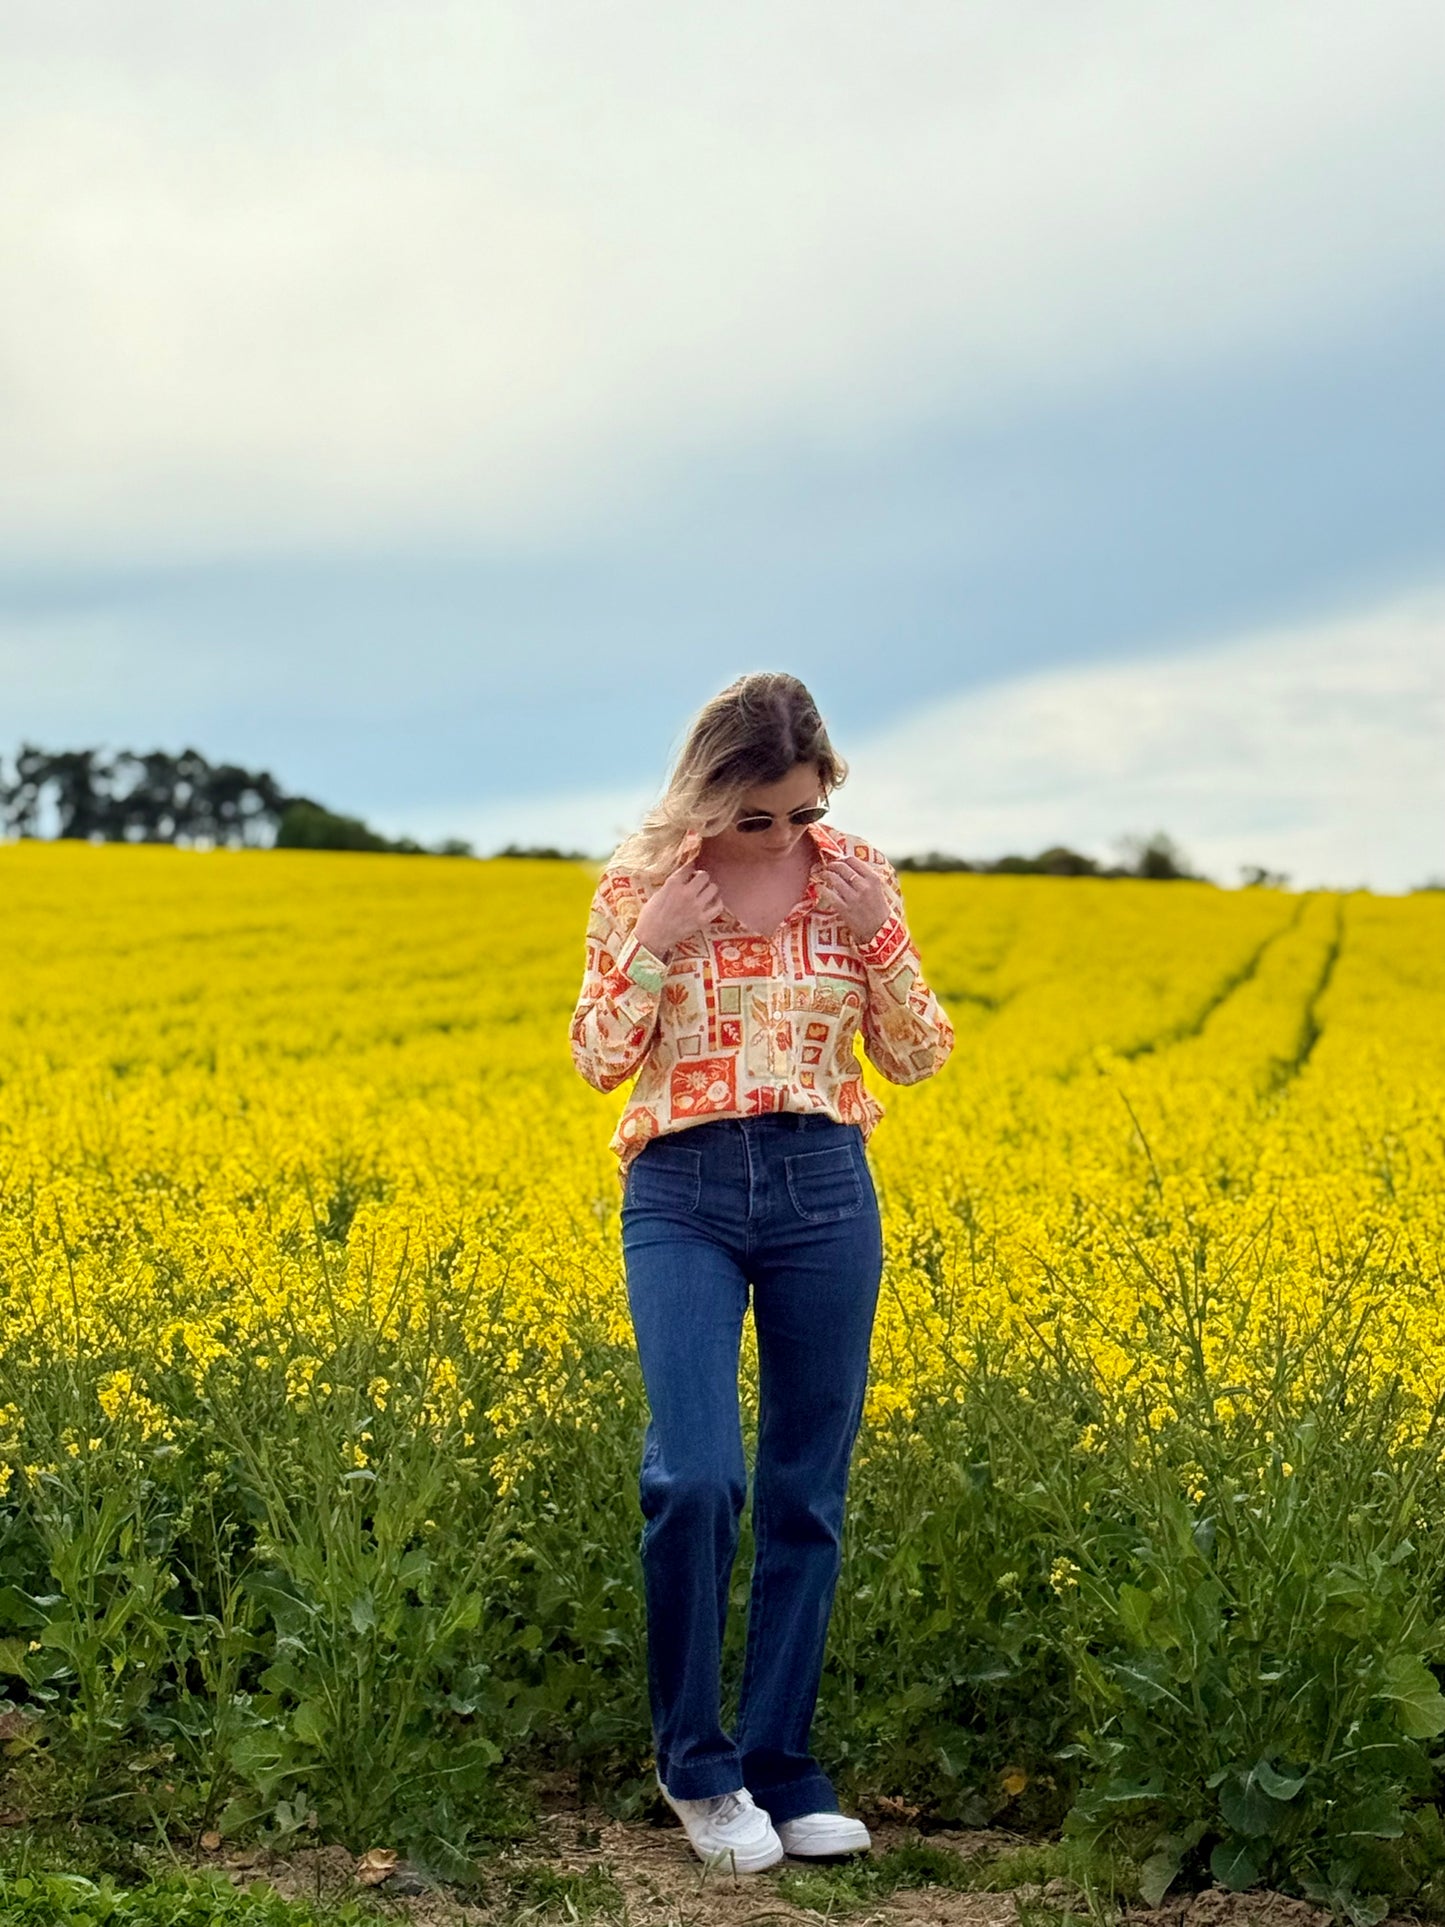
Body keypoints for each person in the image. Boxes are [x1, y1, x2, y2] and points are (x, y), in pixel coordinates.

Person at [569, 672, 954, 1871]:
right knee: (693, 1476)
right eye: (759, 815)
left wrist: (878, 930)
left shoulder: (856, 874)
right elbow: (594, 1058)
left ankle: (781, 1765)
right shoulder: (642, 884)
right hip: (680, 1190)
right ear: (710, 791)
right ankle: (695, 1765)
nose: (785, 835)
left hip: (820, 1184)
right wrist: (652, 947)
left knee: (807, 1490)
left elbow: (918, 1052)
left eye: (803, 808)